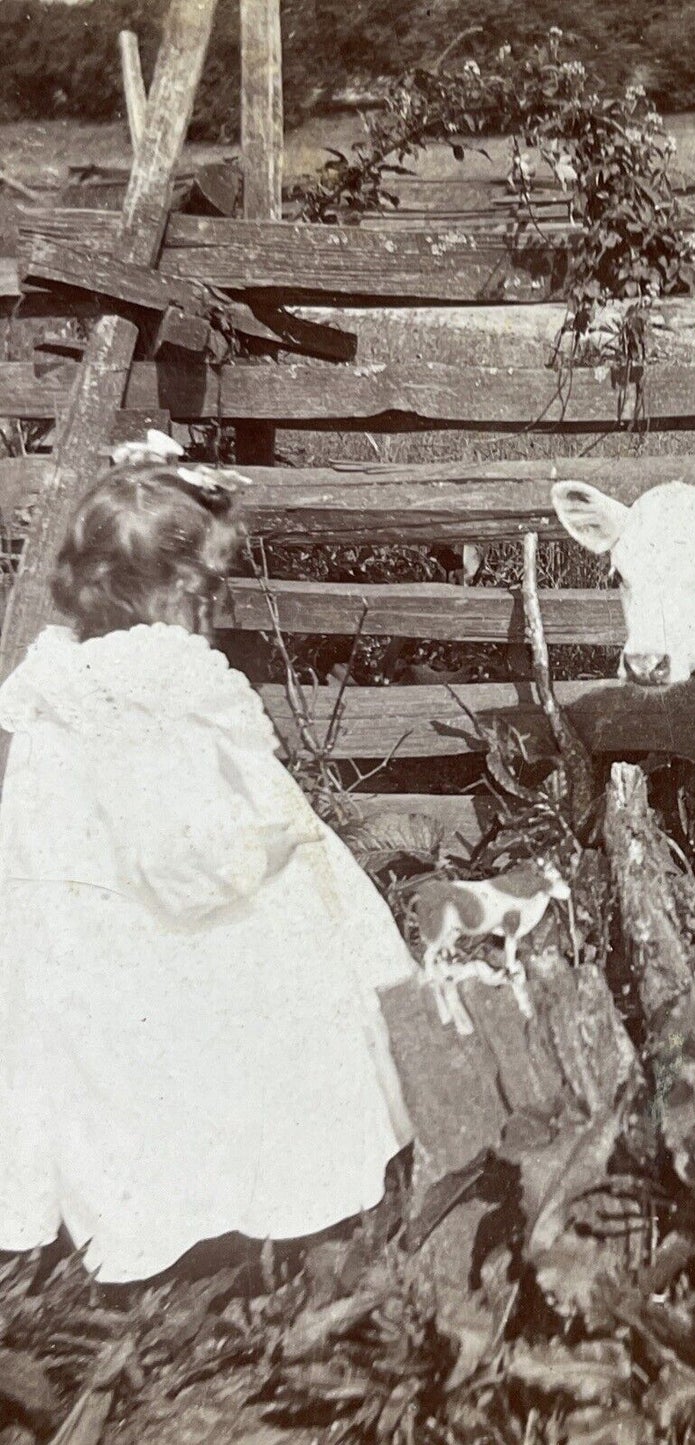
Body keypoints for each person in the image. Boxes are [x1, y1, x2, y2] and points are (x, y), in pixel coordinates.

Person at [0, 434, 415, 1284]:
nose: (211, 610)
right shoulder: (163, 687)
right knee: (256, 1007)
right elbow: (180, 859)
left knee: (117, 1074)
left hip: (78, 947)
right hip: (164, 917)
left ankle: (139, 1217)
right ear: (178, 593)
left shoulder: (55, 682)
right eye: (207, 590)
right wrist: (264, 845)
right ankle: (269, 1206)